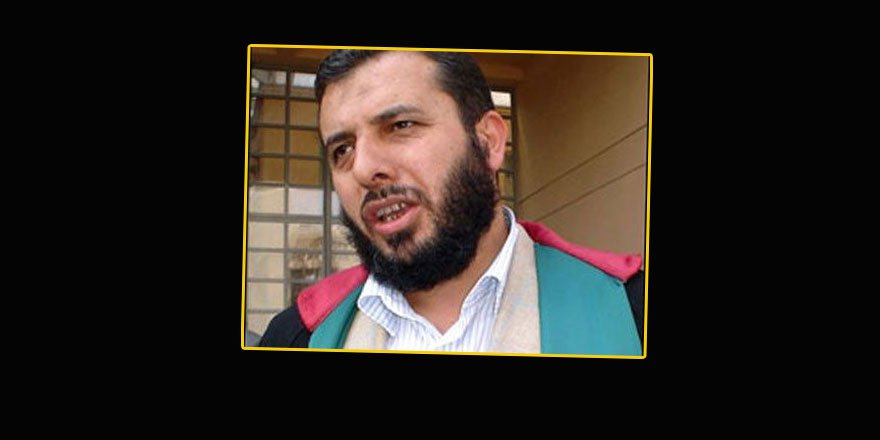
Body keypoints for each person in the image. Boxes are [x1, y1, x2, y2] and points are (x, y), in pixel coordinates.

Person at [259, 49, 645, 355]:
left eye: (400, 126)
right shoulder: (295, 336)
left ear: (488, 142)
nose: (363, 168)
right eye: (342, 149)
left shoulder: (630, 311)